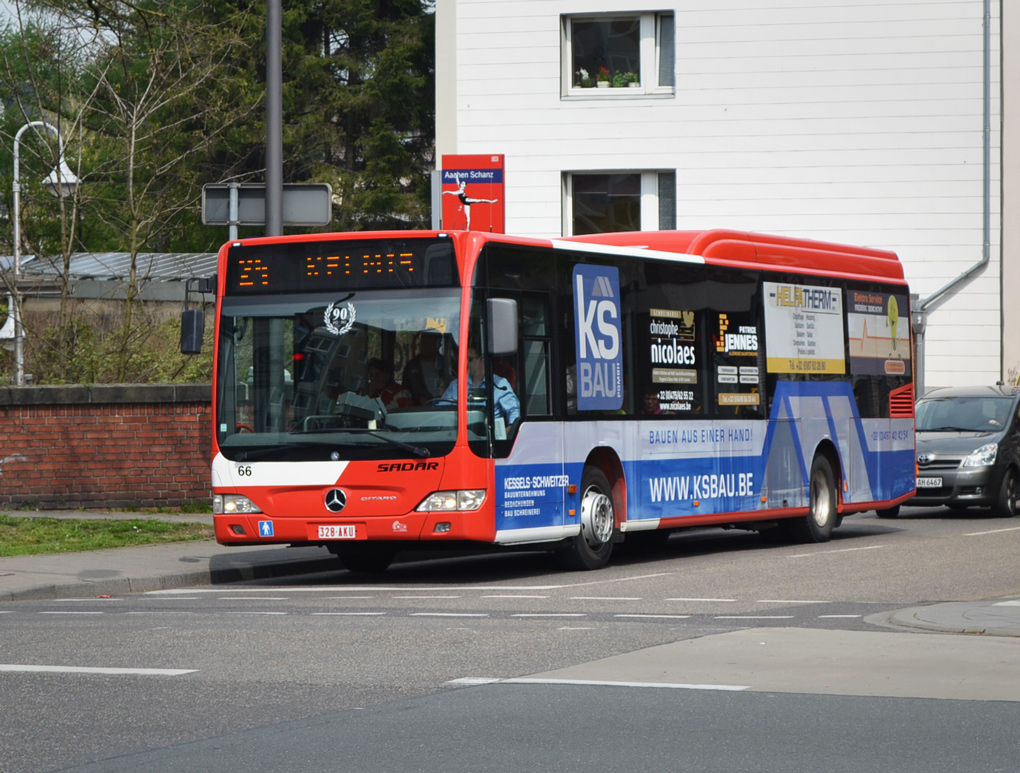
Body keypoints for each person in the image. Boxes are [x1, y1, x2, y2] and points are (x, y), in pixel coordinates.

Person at [437, 346, 520, 425]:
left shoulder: (499, 384)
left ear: (482, 359)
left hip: (488, 436)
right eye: (464, 359)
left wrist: (506, 434)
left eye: (470, 359)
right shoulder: (455, 385)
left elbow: (515, 411)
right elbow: (441, 410)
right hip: (461, 434)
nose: (466, 363)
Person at [402, 329, 448, 405]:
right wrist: (419, 398)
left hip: (445, 406)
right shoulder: (412, 365)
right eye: (424, 343)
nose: (427, 346)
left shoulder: (447, 364)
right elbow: (404, 391)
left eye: (431, 343)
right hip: (418, 409)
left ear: (439, 344)